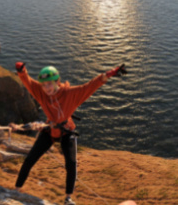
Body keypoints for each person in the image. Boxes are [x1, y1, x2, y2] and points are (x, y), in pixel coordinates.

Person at [10, 62, 127, 205]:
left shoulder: (71, 94)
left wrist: (108, 74)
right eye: (44, 85)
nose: (46, 88)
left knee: (71, 164)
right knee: (30, 160)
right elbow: (27, 81)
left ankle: (68, 198)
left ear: (57, 82)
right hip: (49, 129)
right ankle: (15, 190)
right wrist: (21, 71)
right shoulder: (41, 92)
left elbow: (90, 86)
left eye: (49, 84)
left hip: (66, 130)